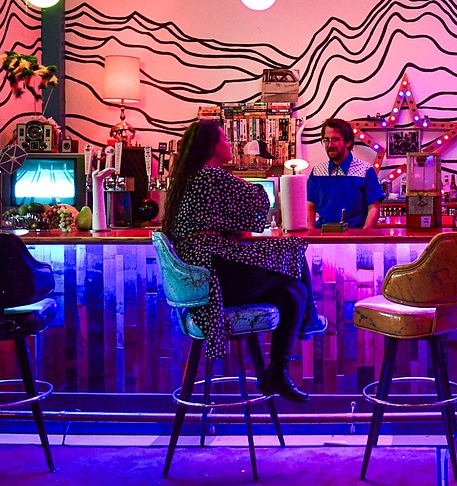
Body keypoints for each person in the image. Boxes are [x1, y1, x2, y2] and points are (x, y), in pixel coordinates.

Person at [162, 119, 312, 402]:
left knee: (292, 291)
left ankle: (278, 371)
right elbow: (258, 198)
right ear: (211, 146)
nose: (230, 144)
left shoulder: (187, 178)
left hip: (201, 279)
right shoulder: (211, 176)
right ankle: (307, 324)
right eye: (224, 139)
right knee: (292, 249)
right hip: (213, 280)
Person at [307, 118, 384, 230]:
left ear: (348, 142)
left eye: (335, 140)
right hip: (323, 237)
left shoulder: (365, 170)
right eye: (326, 140)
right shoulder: (317, 171)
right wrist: (312, 235)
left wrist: (364, 235)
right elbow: (310, 206)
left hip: (355, 237)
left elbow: (374, 207)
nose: (330, 145)